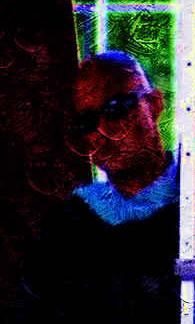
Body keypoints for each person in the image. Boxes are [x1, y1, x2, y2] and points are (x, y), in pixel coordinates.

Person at [22, 51, 179, 323]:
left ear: (153, 104)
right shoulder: (66, 226)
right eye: (87, 122)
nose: (102, 132)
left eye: (116, 109)